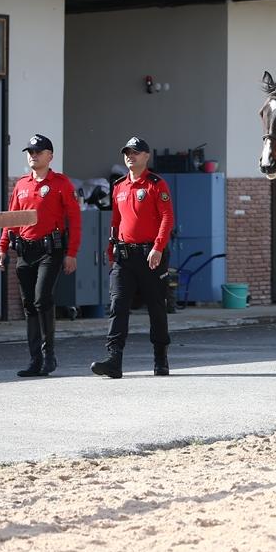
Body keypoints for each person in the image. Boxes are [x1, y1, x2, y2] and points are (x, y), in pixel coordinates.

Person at [0, 134, 82, 377]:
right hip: (25, 251)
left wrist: (71, 253)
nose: (33, 155)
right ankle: (35, 360)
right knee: (28, 305)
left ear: (50, 156)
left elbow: (75, 221)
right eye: (30, 152)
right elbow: (11, 220)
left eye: (38, 152)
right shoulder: (21, 185)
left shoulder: (61, 183)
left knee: (42, 298)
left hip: (50, 251)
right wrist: (2, 248)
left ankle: (49, 355)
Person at [90, 136, 174, 379]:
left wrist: (158, 247)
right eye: (127, 152)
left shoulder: (157, 185)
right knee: (118, 306)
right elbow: (116, 221)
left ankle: (161, 358)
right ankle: (114, 359)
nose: (130, 156)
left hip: (151, 256)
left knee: (157, 307)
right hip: (124, 258)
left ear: (146, 156)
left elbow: (167, 218)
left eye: (135, 152)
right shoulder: (119, 186)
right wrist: (111, 247)